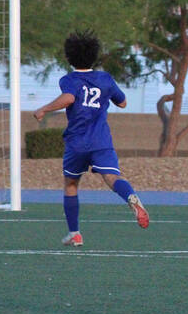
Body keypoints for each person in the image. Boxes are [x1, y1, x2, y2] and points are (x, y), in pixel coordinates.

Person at [33, 30, 148, 247]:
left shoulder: (68, 80)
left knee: (71, 184)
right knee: (113, 178)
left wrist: (44, 109)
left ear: (69, 57)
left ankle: (75, 233)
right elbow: (122, 103)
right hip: (100, 141)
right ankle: (131, 198)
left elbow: (69, 98)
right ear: (95, 56)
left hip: (77, 143)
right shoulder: (105, 79)